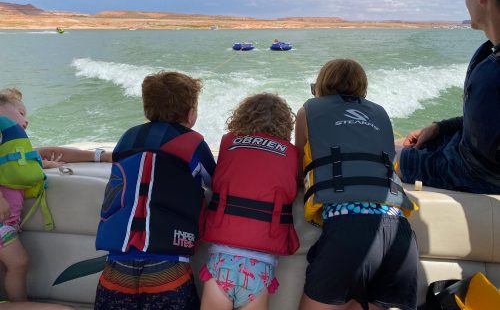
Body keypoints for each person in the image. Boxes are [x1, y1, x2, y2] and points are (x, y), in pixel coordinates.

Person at [295, 59, 418, 310]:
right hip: (400, 235)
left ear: (321, 84)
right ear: (362, 86)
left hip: (348, 229)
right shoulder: (380, 113)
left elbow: (298, 164)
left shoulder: (308, 110)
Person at [93, 71, 216, 310]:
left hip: (116, 267)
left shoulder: (127, 138)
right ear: (191, 114)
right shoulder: (193, 143)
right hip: (168, 267)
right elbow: (214, 181)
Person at [395, 0, 500, 194]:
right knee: (399, 145)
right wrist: (440, 128)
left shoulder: (494, 74)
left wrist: (405, 163)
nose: (465, 0)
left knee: (386, 152)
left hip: (470, 172)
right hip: (463, 150)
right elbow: (486, 126)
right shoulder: (491, 54)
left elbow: (479, 172)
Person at [0, 88, 111, 303]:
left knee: (8, 267)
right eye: (21, 113)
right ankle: (20, 305)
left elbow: (38, 154)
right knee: (19, 263)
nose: (26, 121)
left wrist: (100, 156)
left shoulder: (10, 148)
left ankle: (12, 302)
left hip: (8, 225)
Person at [199, 92, 299, 310]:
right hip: (259, 268)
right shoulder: (292, 155)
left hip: (221, 261)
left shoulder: (229, 143)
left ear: (242, 117)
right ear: (285, 125)